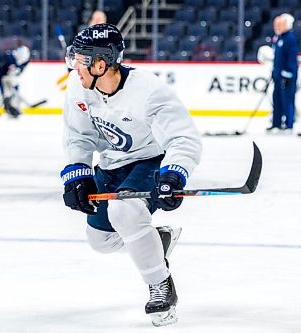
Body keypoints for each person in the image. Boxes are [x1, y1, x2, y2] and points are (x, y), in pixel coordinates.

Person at [60, 24, 202, 326]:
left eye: (80, 59)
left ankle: (160, 285)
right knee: (101, 240)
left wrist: (174, 175)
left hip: (150, 160)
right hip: (111, 163)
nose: (74, 66)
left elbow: (182, 138)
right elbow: (78, 136)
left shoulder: (148, 91)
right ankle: (154, 240)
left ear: (101, 63)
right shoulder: (79, 85)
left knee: (125, 211)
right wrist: (78, 173)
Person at [267, 13, 298, 133]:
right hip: (278, 75)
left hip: (287, 76)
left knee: (288, 99)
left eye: (279, 24)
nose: (276, 27)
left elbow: (291, 57)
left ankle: (289, 124)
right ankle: (277, 123)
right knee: (277, 99)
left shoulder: (290, 38)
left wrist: (288, 72)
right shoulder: (278, 38)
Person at [0, 45, 30, 118]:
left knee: (10, 93)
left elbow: (13, 75)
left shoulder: (22, 62)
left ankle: (11, 108)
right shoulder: (9, 58)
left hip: (4, 77)